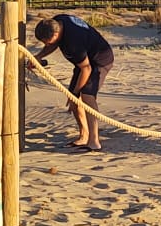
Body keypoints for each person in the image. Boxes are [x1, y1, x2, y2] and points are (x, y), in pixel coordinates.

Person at [35, 13, 114, 151]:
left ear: (56, 33)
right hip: (84, 62)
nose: (46, 45)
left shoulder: (74, 42)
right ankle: (84, 135)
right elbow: (55, 43)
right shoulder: (58, 21)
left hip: (100, 60)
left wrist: (75, 95)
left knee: (86, 96)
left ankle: (94, 142)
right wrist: (38, 56)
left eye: (47, 42)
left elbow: (86, 68)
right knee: (72, 97)